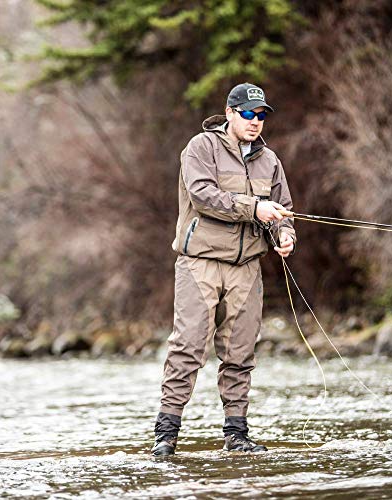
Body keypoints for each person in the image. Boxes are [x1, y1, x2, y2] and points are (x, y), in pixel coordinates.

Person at [152, 83, 296, 457]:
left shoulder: (270, 161)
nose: (255, 121)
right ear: (230, 113)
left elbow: (283, 207)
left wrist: (284, 234)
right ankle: (166, 436)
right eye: (248, 113)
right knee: (187, 348)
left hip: (246, 268)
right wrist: (254, 208)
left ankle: (236, 435)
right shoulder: (201, 147)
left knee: (241, 354)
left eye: (261, 114)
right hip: (199, 263)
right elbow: (203, 195)